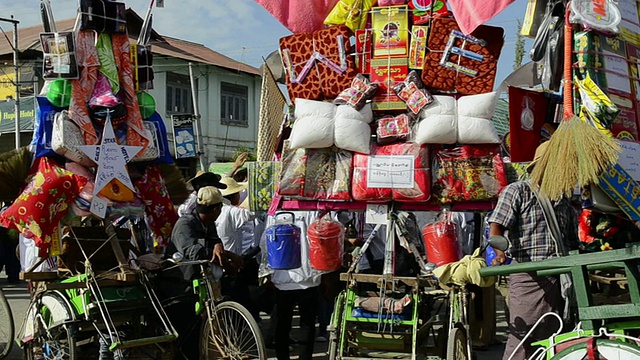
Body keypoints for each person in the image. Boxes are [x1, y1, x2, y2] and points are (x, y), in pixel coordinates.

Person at [487, 142, 579, 360]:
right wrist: (500, 252)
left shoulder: (565, 202)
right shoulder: (518, 191)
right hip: (529, 276)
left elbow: (573, 243)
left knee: (555, 334)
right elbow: (497, 226)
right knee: (523, 338)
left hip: (558, 277)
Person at [162, 186, 227, 360]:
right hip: (178, 286)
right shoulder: (185, 224)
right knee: (187, 332)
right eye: (220, 207)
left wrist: (219, 247)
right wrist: (220, 252)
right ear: (215, 209)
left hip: (199, 281)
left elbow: (215, 241)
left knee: (200, 328)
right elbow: (192, 251)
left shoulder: (208, 224)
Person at [269, 211, 322, 360]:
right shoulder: (313, 210)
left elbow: (265, 241)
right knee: (307, 324)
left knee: (283, 324)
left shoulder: (275, 211)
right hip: (308, 276)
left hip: (283, 277)